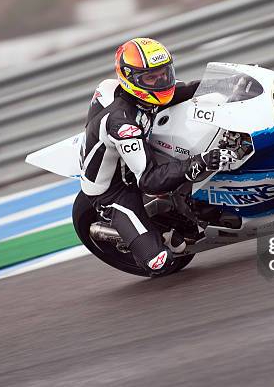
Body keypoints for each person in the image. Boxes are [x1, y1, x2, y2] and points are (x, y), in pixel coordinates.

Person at [80, 37, 237, 276]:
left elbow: (189, 89)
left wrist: (232, 83)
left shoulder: (147, 93)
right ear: (130, 80)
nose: (160, 82)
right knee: (160, 262)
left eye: (164, 74)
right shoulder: (124, 124)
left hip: (135, 155)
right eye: (150, 78)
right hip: (116, 189)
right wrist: (201, 162)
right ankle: (146, 232)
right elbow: (149, 180)